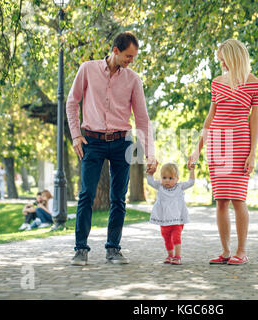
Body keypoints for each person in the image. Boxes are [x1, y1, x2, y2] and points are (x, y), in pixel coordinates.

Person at [66, 32, 157, 266]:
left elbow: (142, 119)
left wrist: (150, 153)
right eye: (128, 56)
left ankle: (113, 248)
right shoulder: (87, 69)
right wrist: (76, 135)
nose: (131, 61)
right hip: (92, 142)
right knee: (86, 195)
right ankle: (80, 249)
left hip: (121, 143)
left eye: (134, 57)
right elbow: (71, 101)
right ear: (115, 51)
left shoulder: (133, 79)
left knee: (119, 198)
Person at [187, 39, 258, 265]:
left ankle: (242, 251)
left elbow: (255, 121)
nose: (221, 62)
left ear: (234, 57)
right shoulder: (217, 82)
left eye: (223, 58)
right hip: (217, 143)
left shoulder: (256, 84)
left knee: (238, 199)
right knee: (221, 200)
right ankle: (225, 251)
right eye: (220, 59)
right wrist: (197, 149)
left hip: (241, 144)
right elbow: (210, 118)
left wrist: (253, 153)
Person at [147, 163, 195, 265]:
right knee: (167, 238)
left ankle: (177, 256)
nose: (167, 180)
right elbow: (150, 181)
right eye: (164, 178)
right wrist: (151, 173)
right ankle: (170, 255)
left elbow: (191, 182)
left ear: (177, 178)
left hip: (177, 220)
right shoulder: (160, 187)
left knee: (176, 237)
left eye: (171, 178)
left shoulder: (180, 187)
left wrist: (192, 170)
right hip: (164, 220)